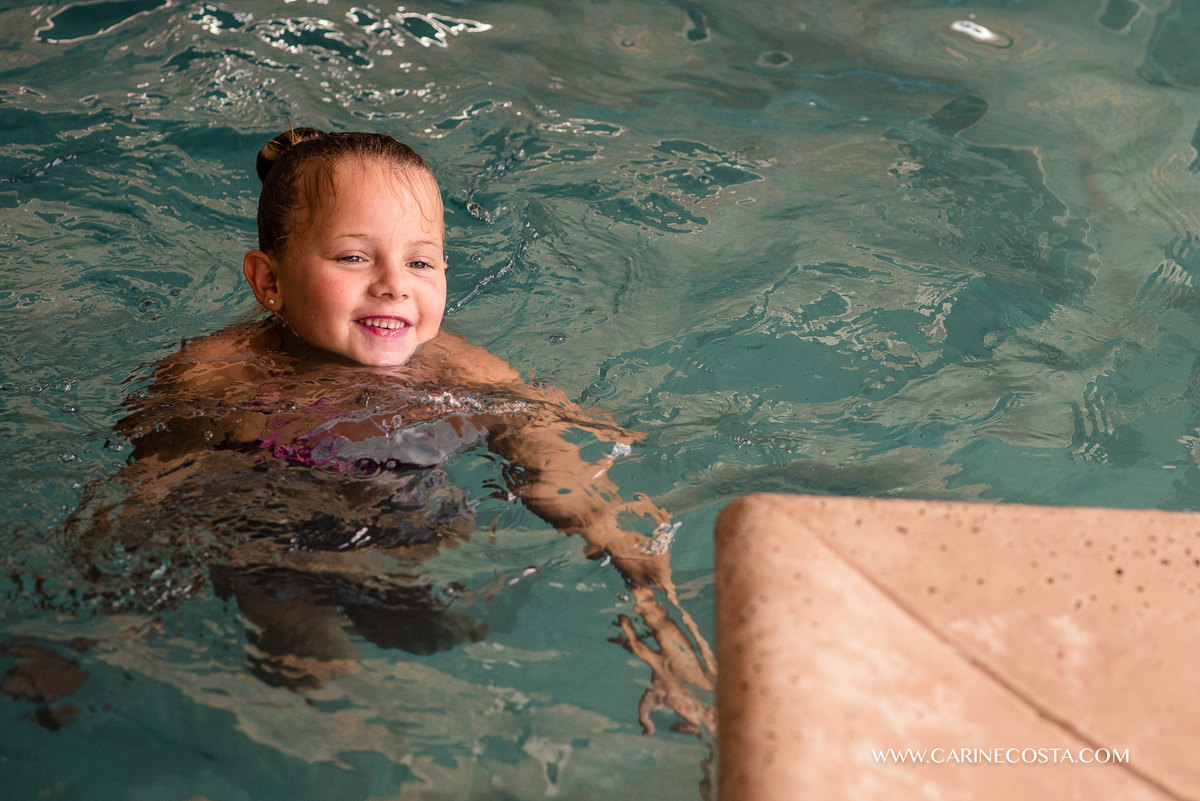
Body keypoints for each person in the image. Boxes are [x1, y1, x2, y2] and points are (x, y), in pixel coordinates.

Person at [73, 127, 714, 735]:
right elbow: (138, 501)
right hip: (272, 554)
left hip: (410, 539)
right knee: (318, 688)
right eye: (354, 257)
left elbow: (578, 489)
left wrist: (661, 628)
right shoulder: (214, 379)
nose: (392, 286)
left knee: (453, 635)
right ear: (269, 280)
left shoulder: (467, 371)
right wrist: (97, 629)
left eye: (422, 263)